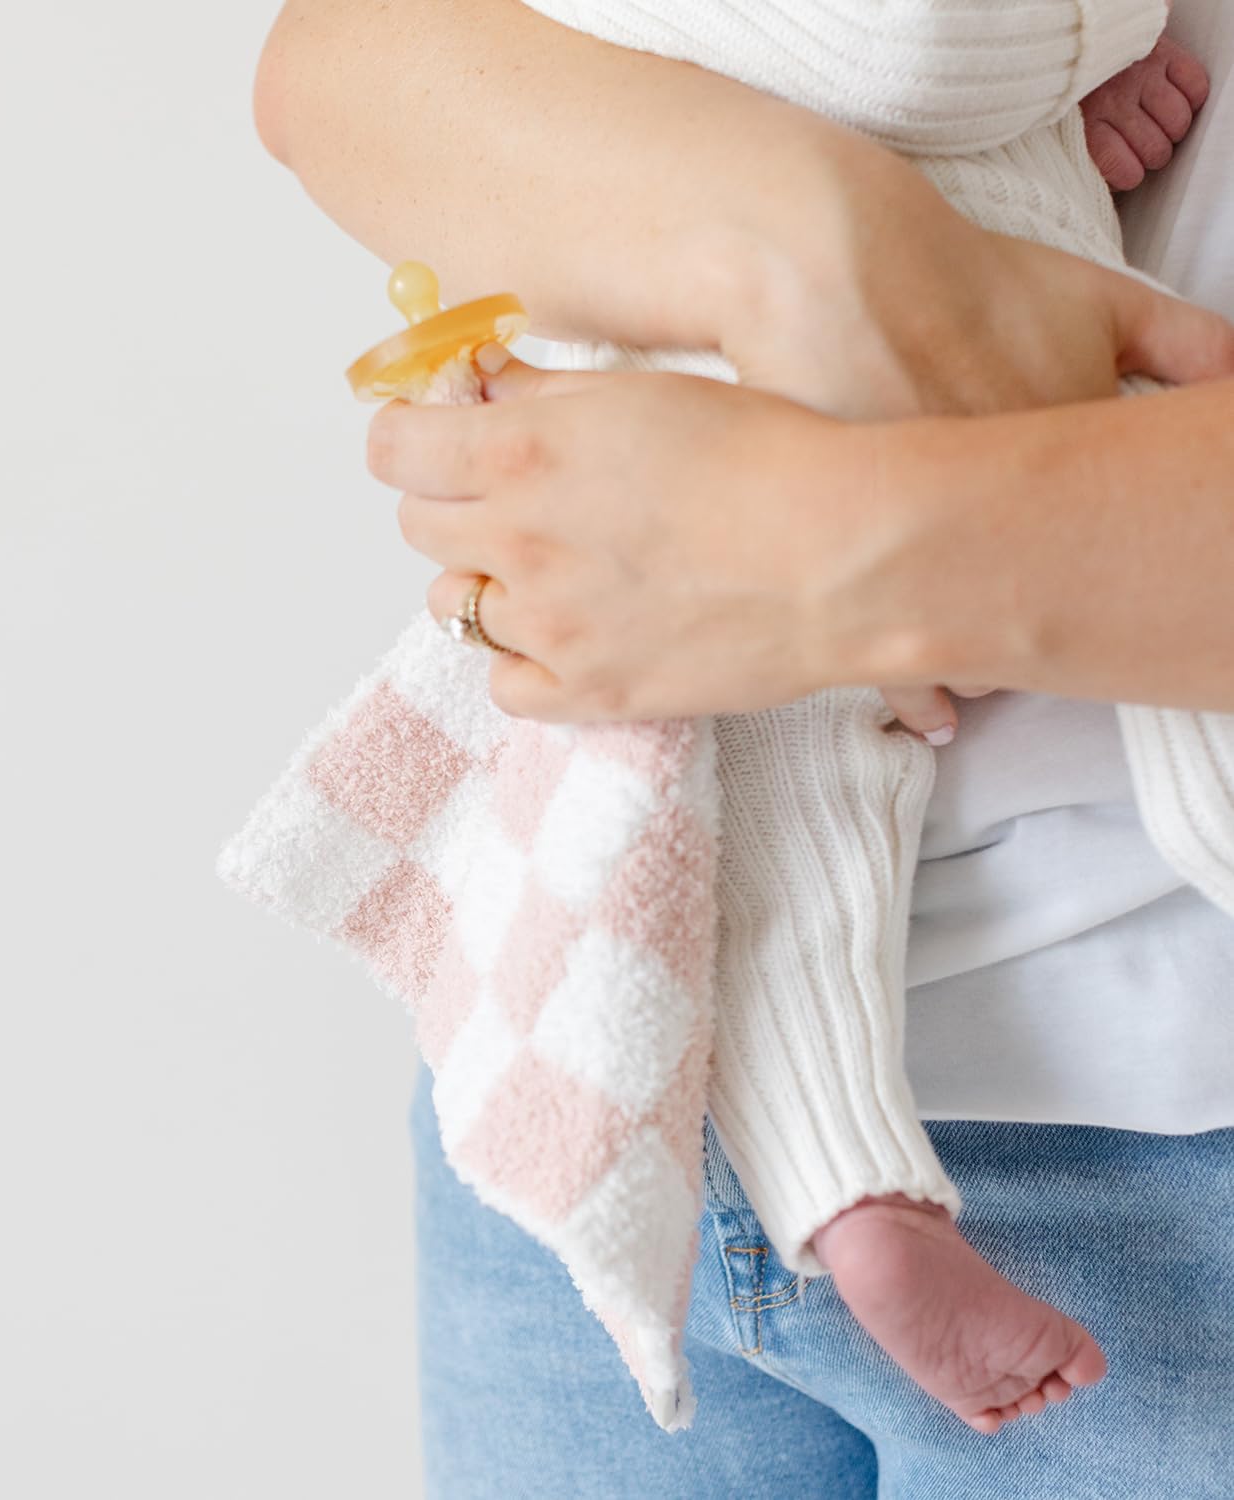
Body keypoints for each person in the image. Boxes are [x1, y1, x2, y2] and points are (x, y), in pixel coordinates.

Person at [255, 1, 1234, 1493]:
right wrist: (816, 224)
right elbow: (332, 66)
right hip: (597, 1068)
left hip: (1163, 1129)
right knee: (775, 798)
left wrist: (802, 543)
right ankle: (850, 1190)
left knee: (797, 782)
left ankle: (853, 1194)